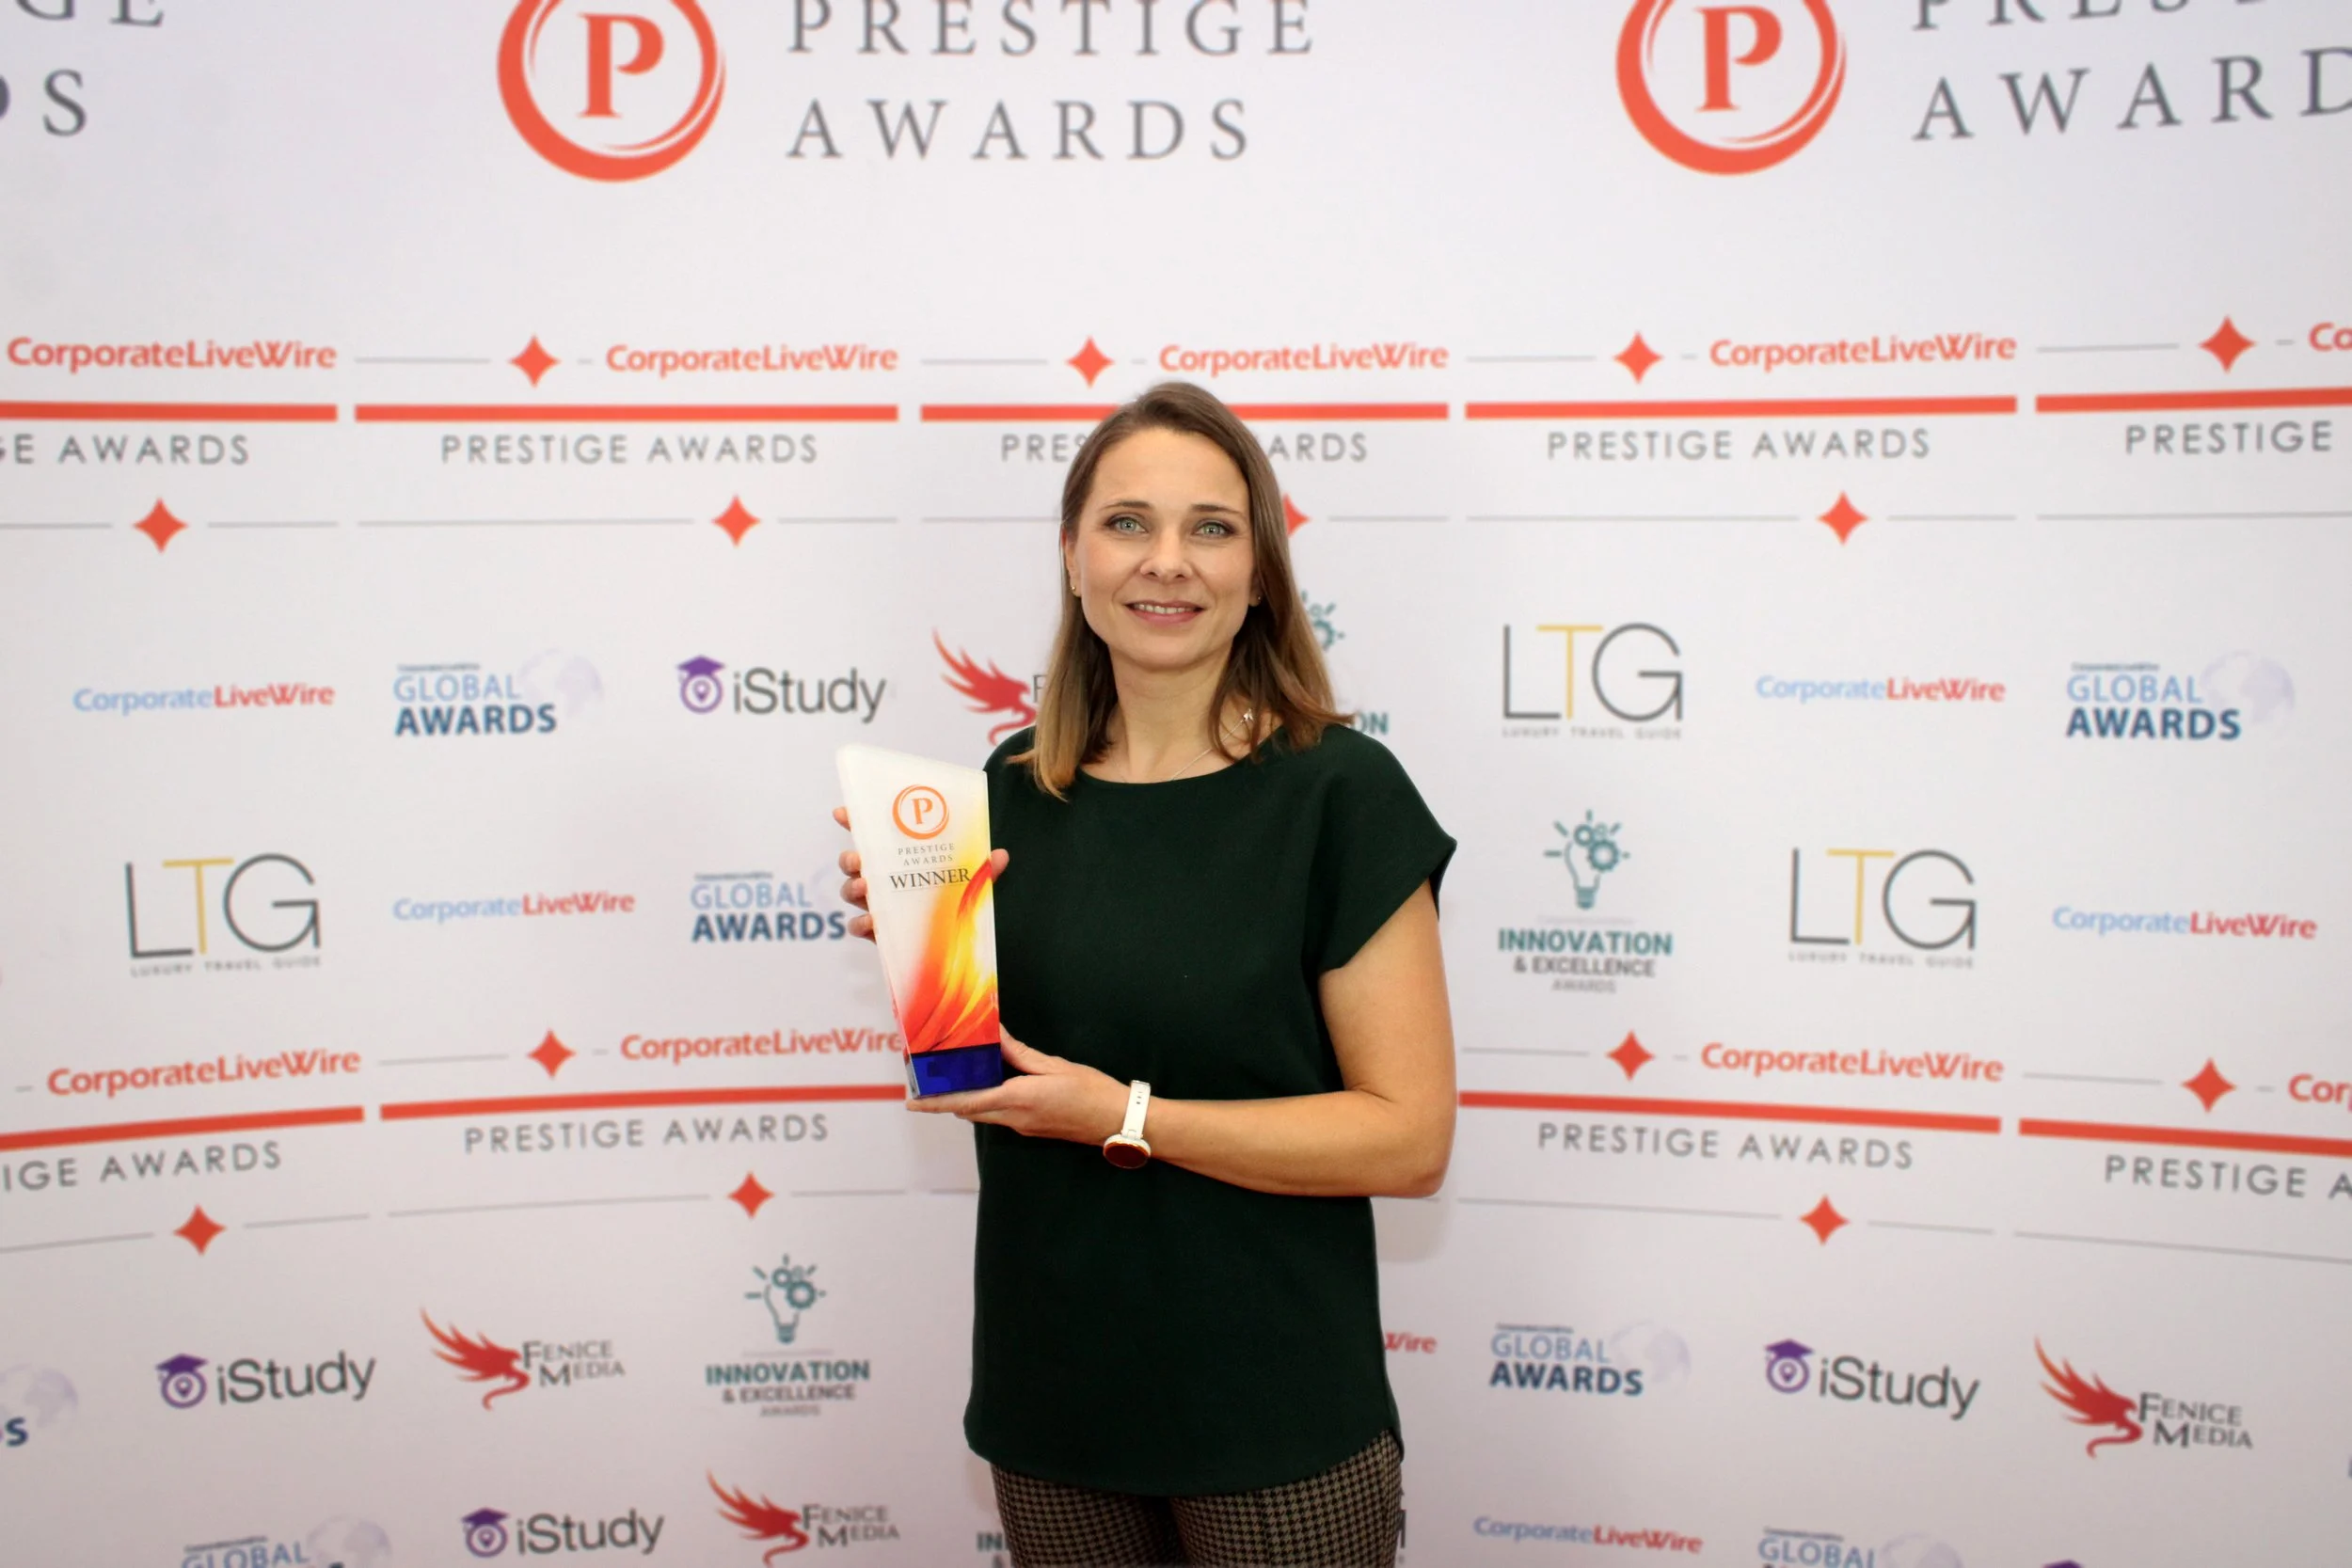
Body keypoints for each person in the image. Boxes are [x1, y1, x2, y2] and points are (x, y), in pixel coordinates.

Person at [835, 382, 1455, 1568]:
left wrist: (1124, 1117)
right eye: (1127, 523)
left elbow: (1407, 1138)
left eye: (1211, 528)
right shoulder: (1004, 793)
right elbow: (1000, 1073)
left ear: (1263, 570)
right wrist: (929, 959)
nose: (1166, 562)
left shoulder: (1340, 795)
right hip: (1052, 1398)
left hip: (1269, 1414)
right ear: (1071, 555)